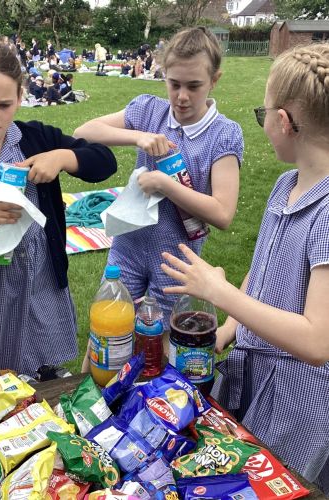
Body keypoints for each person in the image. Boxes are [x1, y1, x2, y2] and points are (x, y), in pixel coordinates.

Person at [160, 43, 329, 494]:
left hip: (298, 400)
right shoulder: (286, 184)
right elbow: (263, 270)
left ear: (284, 121)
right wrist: (227, 330)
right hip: (252, 371)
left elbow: (317, 341)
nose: (264, 123)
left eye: (263, 113)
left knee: (273, 485)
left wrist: (219, 292)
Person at [0, 41, 117, 385]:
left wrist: (63, 157)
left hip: (40, 281)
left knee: (43, 372)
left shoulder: (36, 139)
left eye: (4, 105)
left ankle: (44, 383)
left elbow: (105, 162)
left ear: (20, 96)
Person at [74, 26, 243, 331]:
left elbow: (223, 213)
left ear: (214, 80)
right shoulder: (149, 111)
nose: (182, 96)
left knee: (159, 340)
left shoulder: (223, 135)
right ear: (164, 74)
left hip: (176, 259)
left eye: (194, 86)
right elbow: (83, 132)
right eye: (174, 83)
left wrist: (166, 184)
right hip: (127, 244)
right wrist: (138, 136)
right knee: (108, 328)